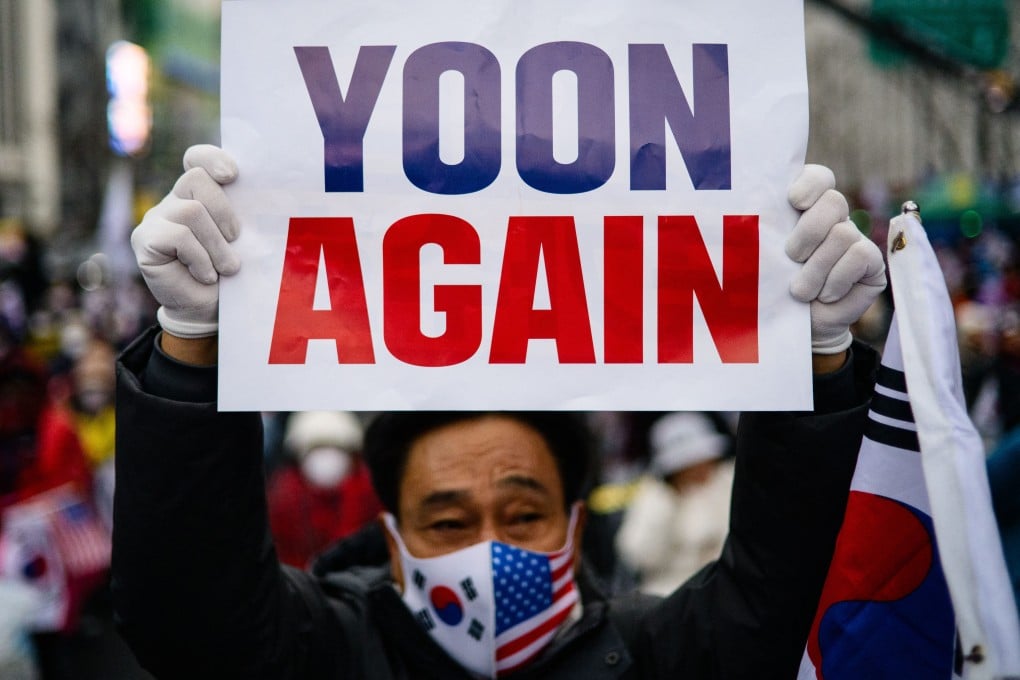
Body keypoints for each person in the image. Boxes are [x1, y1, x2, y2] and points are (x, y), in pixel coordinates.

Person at [113, 145, 886, 678]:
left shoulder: (660, 655)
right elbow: (191, 618)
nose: (490, 554)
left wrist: (815, 361)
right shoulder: (323, 655)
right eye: (448, 523)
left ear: (576, 525)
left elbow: (792, 594)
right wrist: (191, 347)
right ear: (391, 541)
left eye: (522, 516)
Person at [614, 412, 734, 596]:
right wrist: (666, 503)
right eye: (688, 463)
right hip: (672, 595)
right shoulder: (654, 497)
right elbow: (640, 555)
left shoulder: (728, 481)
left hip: (727, 586)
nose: (698, 468)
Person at [266, 411, 381, 568]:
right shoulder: (284, 498)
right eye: (316, 448)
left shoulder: (369, 494)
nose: (326, 456)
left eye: (335, 447)